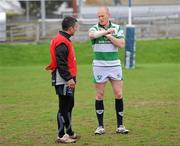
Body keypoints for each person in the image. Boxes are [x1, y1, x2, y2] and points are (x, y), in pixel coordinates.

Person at [88, 6, 129, 135]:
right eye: (98, 16)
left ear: (108, 15)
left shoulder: (117, 28)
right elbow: (92, 35)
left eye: (102, 16)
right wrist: (105, 32)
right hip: (99, 65)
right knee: (99, 95)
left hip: (114, 65)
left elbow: (121, 44)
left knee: (119, 94)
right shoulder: (94, 28)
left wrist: (110, 36)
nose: (100, 18)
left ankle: (120, 126)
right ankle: (100, 126)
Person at [46, 16, 79, 143]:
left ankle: (69, 132)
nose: (76, 29)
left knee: (69, 105)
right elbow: (61, 63)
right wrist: (69, 79)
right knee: (63, 107)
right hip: (62, 79)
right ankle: (61, 135)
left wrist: (73, 78)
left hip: (67, 78)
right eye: (75, 27)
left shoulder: (64, 39)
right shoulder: (61, 41)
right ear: (70, 28)